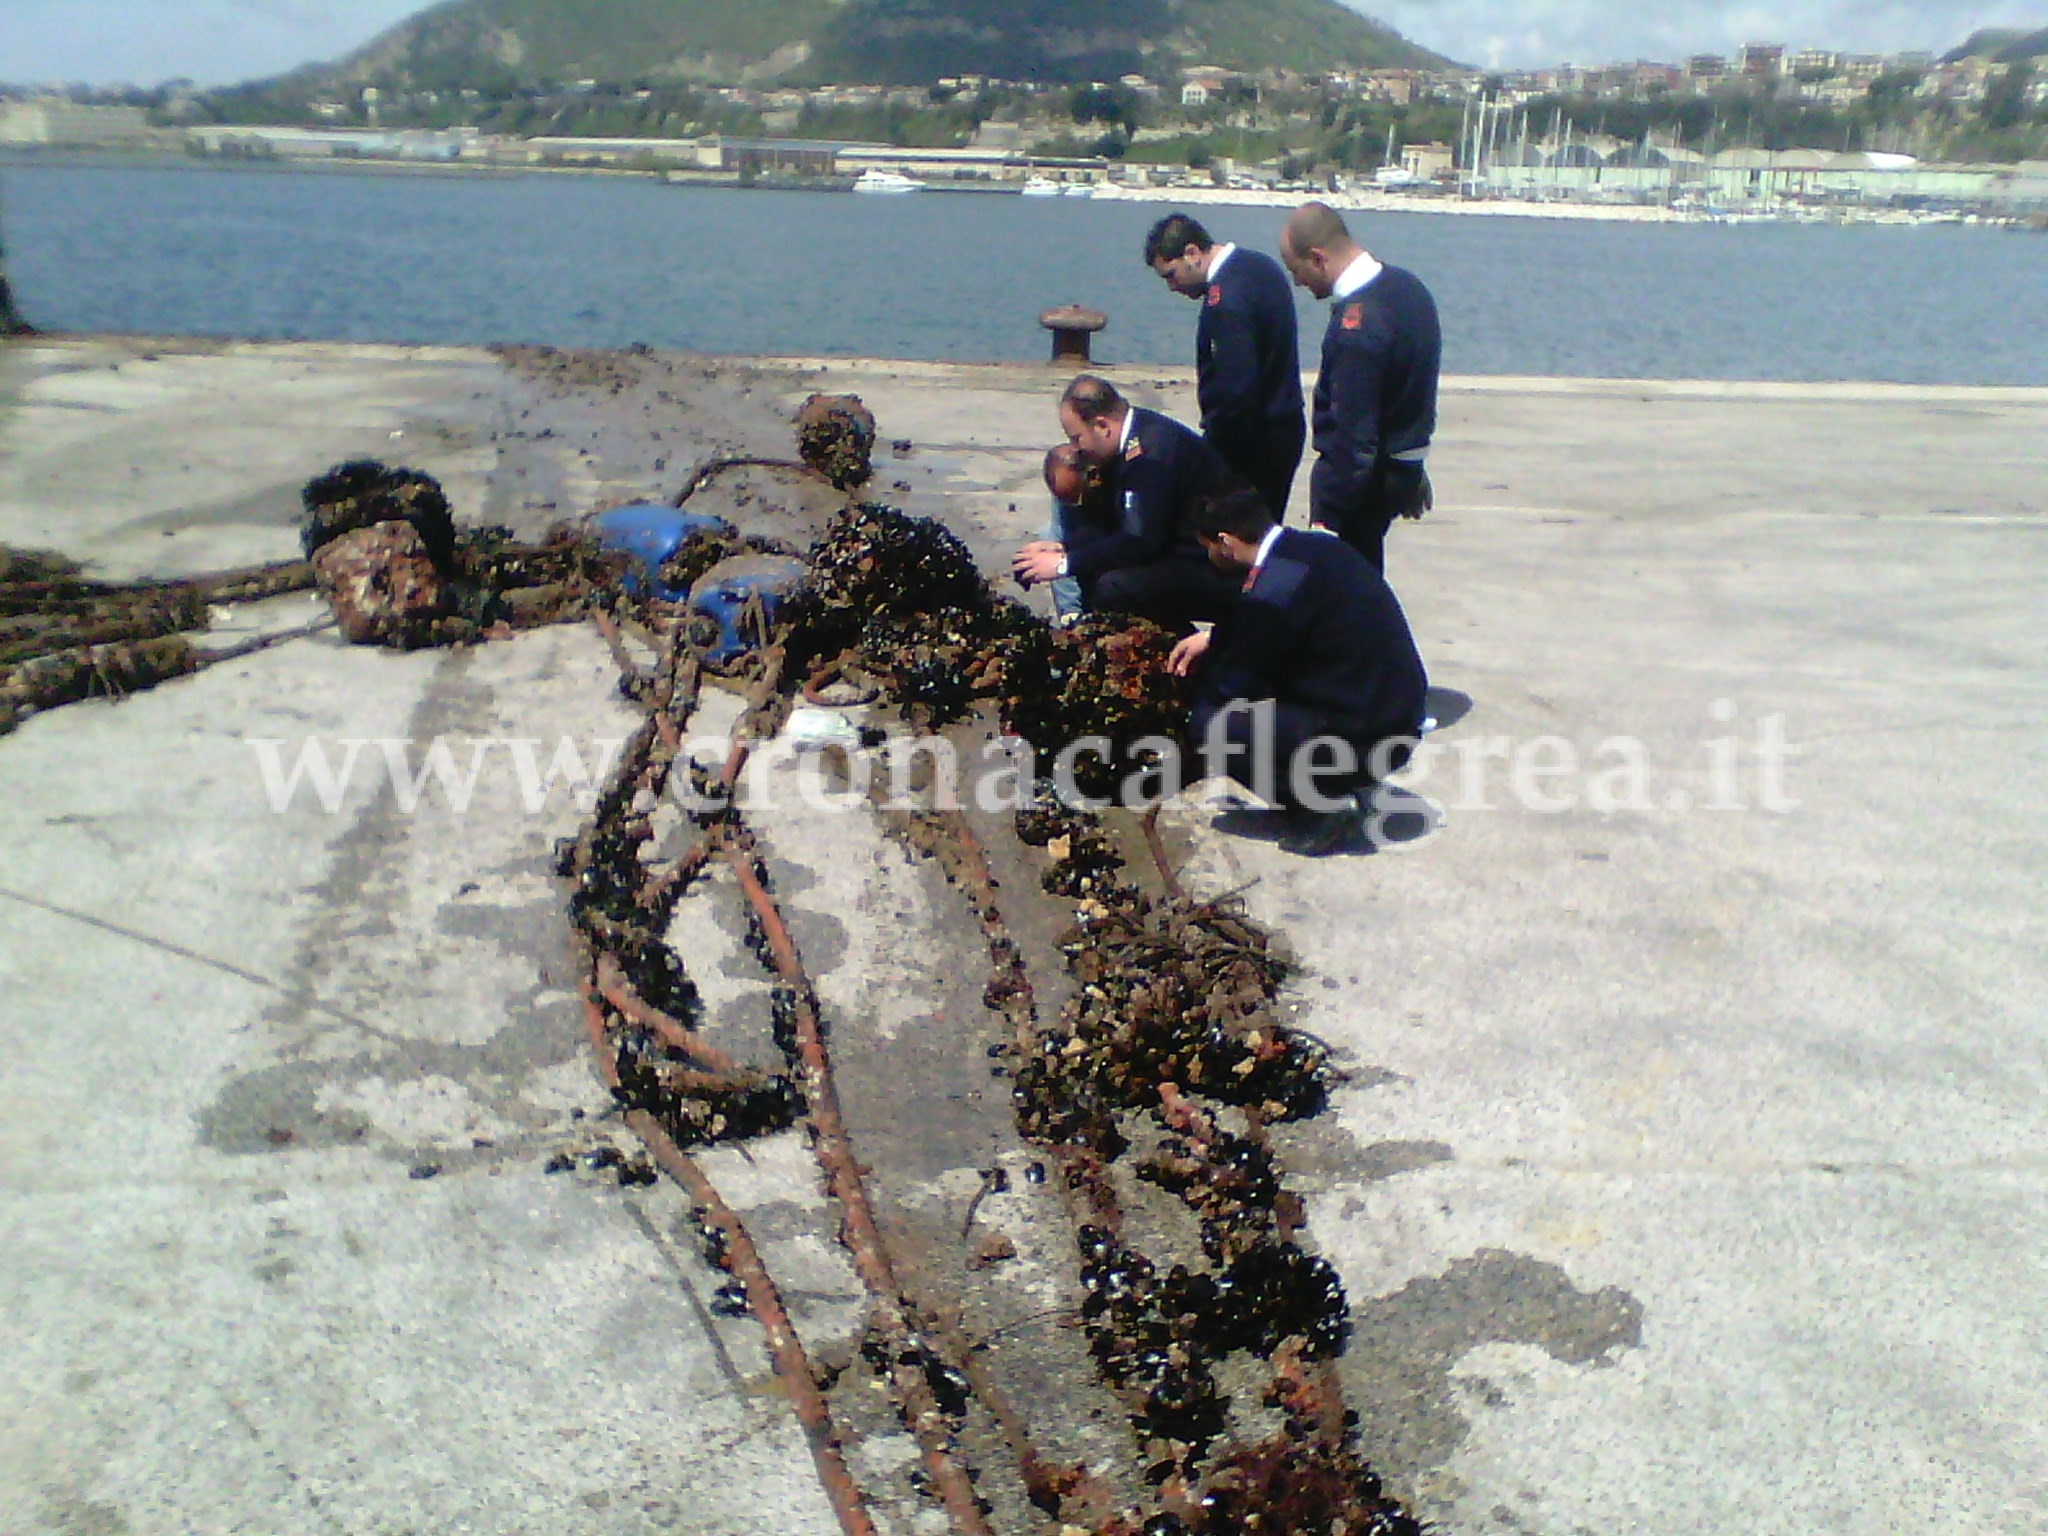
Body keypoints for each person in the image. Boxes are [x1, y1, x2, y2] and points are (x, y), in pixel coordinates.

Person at [1167, 487, 1428, 857]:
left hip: (1367, 735)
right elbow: (1286, 622)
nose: (1209, 556)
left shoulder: (1272, 589)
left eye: (1208, 546)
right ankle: (1343, 782)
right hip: (1397, 716)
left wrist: (1188, 708)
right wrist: (1215, 637)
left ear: (1225, 542)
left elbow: (1237, 681)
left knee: (1212, 726)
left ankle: (1323, 809)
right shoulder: (1314, 549)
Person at [1279, 201, 1441, 574]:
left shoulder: (1358, 325)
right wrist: (1411, 464)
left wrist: (1327, 518)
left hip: (1365, 483)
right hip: (1398, 465)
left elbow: (1354, 436)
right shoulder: (1408, 289)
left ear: (1318, 258)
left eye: (1297, 270)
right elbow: (1411, 392)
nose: (1298, 282)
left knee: (1344, 594)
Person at [1011, 375, 1240, 629]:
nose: (1077, 449)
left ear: (1102, 426)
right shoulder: (1135, 434)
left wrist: (1066, 563)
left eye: (1077, 438)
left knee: (1115, 587)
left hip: (1222, 567)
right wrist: (1064, 547)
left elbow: (1141, 542)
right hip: (1182, 554)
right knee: (1097, 569)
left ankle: (1192, 657)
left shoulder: (1150, 454)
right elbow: (1121, 532)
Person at [1143, 212, 1305, 520]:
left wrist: (1213, 452)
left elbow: (1235, 390)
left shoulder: (1226, 301)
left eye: (1171, 275)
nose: (1172, 287)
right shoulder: (1258, 266)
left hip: (1252, 444)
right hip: (1284, 427)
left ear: (1192, 253)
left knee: (1233, 540)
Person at [1039, 443, 1112, 622]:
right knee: (1049, 537)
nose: (1074, 504)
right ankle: (1071, 615)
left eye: (1076, 497)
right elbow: (1061, 539)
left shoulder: (1115, 474)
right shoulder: (1065, 492)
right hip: (1084, 539)